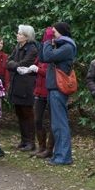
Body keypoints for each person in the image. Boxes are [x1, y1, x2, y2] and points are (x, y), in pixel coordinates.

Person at [40, 21, 77, 166]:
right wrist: (46, 41)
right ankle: (59, 155)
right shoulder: (59, 45)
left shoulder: (68, 47)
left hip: (59, 89)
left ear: (62, 32)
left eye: (54, 32)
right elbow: (43, 57)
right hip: (53, 87)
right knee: (56, 124)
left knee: (60, 123)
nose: (52, 34)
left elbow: (48, 56)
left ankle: (64, 157)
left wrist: (49, 41)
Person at [7, 25, 40, 151]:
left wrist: (13, 66)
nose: (17, 35)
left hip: (26, 86)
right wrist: (15, 66)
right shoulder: (18, 47)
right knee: (19, 113)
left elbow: (24, 64)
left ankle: (31, 142)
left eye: (20, 34)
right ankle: (24, 140)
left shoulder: (32, 49)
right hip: (17, 84)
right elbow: (9, 62)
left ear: (26, 36)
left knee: (27, 114)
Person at [33, 27, 55, 159]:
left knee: (53, 121)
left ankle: (49, 148)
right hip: (39, 91)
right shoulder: (42, 52)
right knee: (37, 120)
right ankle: (41, 146)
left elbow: (49, 73)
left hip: (50, 91)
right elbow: (37, 64)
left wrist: (37, 70)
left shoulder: (55, 52)